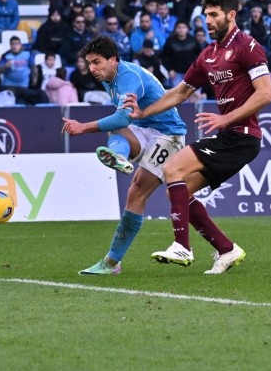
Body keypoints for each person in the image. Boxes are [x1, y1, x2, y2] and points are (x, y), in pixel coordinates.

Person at [123, 0, 271, 274]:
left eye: (214, 15)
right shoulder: (209, 55)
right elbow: (180, 92)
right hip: (229, 136)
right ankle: (226, 249)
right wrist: (143, 113)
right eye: (205, 15)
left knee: (171, 169)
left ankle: (182, 246)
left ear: (231, 15)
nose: (207, 21)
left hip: (242, 135)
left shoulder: (248, 47)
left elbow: (265, 94)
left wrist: (225, 117)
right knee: (177, 192)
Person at [61, 36, 186, 275]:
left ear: (113, 60)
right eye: (89, 63)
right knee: (118, 133)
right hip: (144, 128)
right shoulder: (109, 78)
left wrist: (82, 127)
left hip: (168, 135)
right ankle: (119, 156)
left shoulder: (128, 77)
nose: (92, 69)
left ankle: (111, 262)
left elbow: (121, 118)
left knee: (136, 191)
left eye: (96, 62)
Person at [0, 37, 46, 106]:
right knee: (11, 106)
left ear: (20, 44)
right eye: (13, 44)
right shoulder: (6, 55)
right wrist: (5, 66)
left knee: (23, 104)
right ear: (10, 45)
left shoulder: (27, 53)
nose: (15, 46)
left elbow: (33, 66)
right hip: (9, 85)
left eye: (17, 44)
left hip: (23, 84)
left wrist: (35, 77)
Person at [162, 21, 201, 88]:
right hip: (176, 73)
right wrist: (170, 70)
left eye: (183, 27)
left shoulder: (193, 40)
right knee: (178, 95)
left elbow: (201, 55)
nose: (181, 29)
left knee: (194, 95)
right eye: (179, 27)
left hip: (191, 73)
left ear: (187, 29)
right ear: (175, 29)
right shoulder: (170, 41)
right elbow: (163, 57)